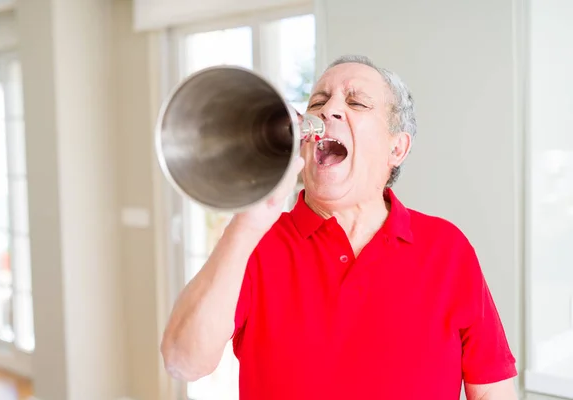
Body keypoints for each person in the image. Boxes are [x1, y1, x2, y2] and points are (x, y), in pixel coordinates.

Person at [160, 55, 519, 400]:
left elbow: (490, 387)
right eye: (317, 101)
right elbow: (182, 361)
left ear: (397, 148)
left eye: (357, 103)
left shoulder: (447, 248)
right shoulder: (256, 241)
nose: (326, 110)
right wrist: (248, 223)